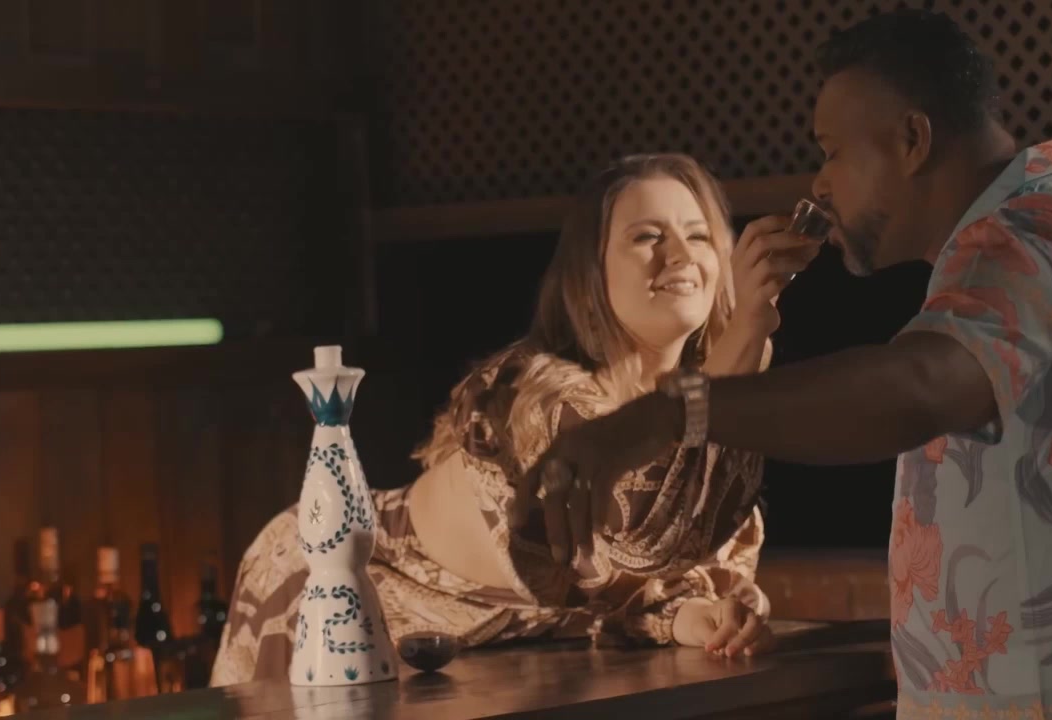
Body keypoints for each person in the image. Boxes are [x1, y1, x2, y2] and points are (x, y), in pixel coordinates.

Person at [515, 10, 1052, 719]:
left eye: (832, 152)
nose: (820, 184)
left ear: (913, 140)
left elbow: (916, 387)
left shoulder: (1021, 244)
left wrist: (670, 412)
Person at [210, 153, 819, 685]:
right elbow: (633, 546)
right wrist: (746, 335)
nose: (680, 255)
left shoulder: (712, 396)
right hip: (340, 578)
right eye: (646, 237)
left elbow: (645, 589)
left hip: (498, 652)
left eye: (700, 235)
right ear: (592, 270)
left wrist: (703, 616)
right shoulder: (530, 394)